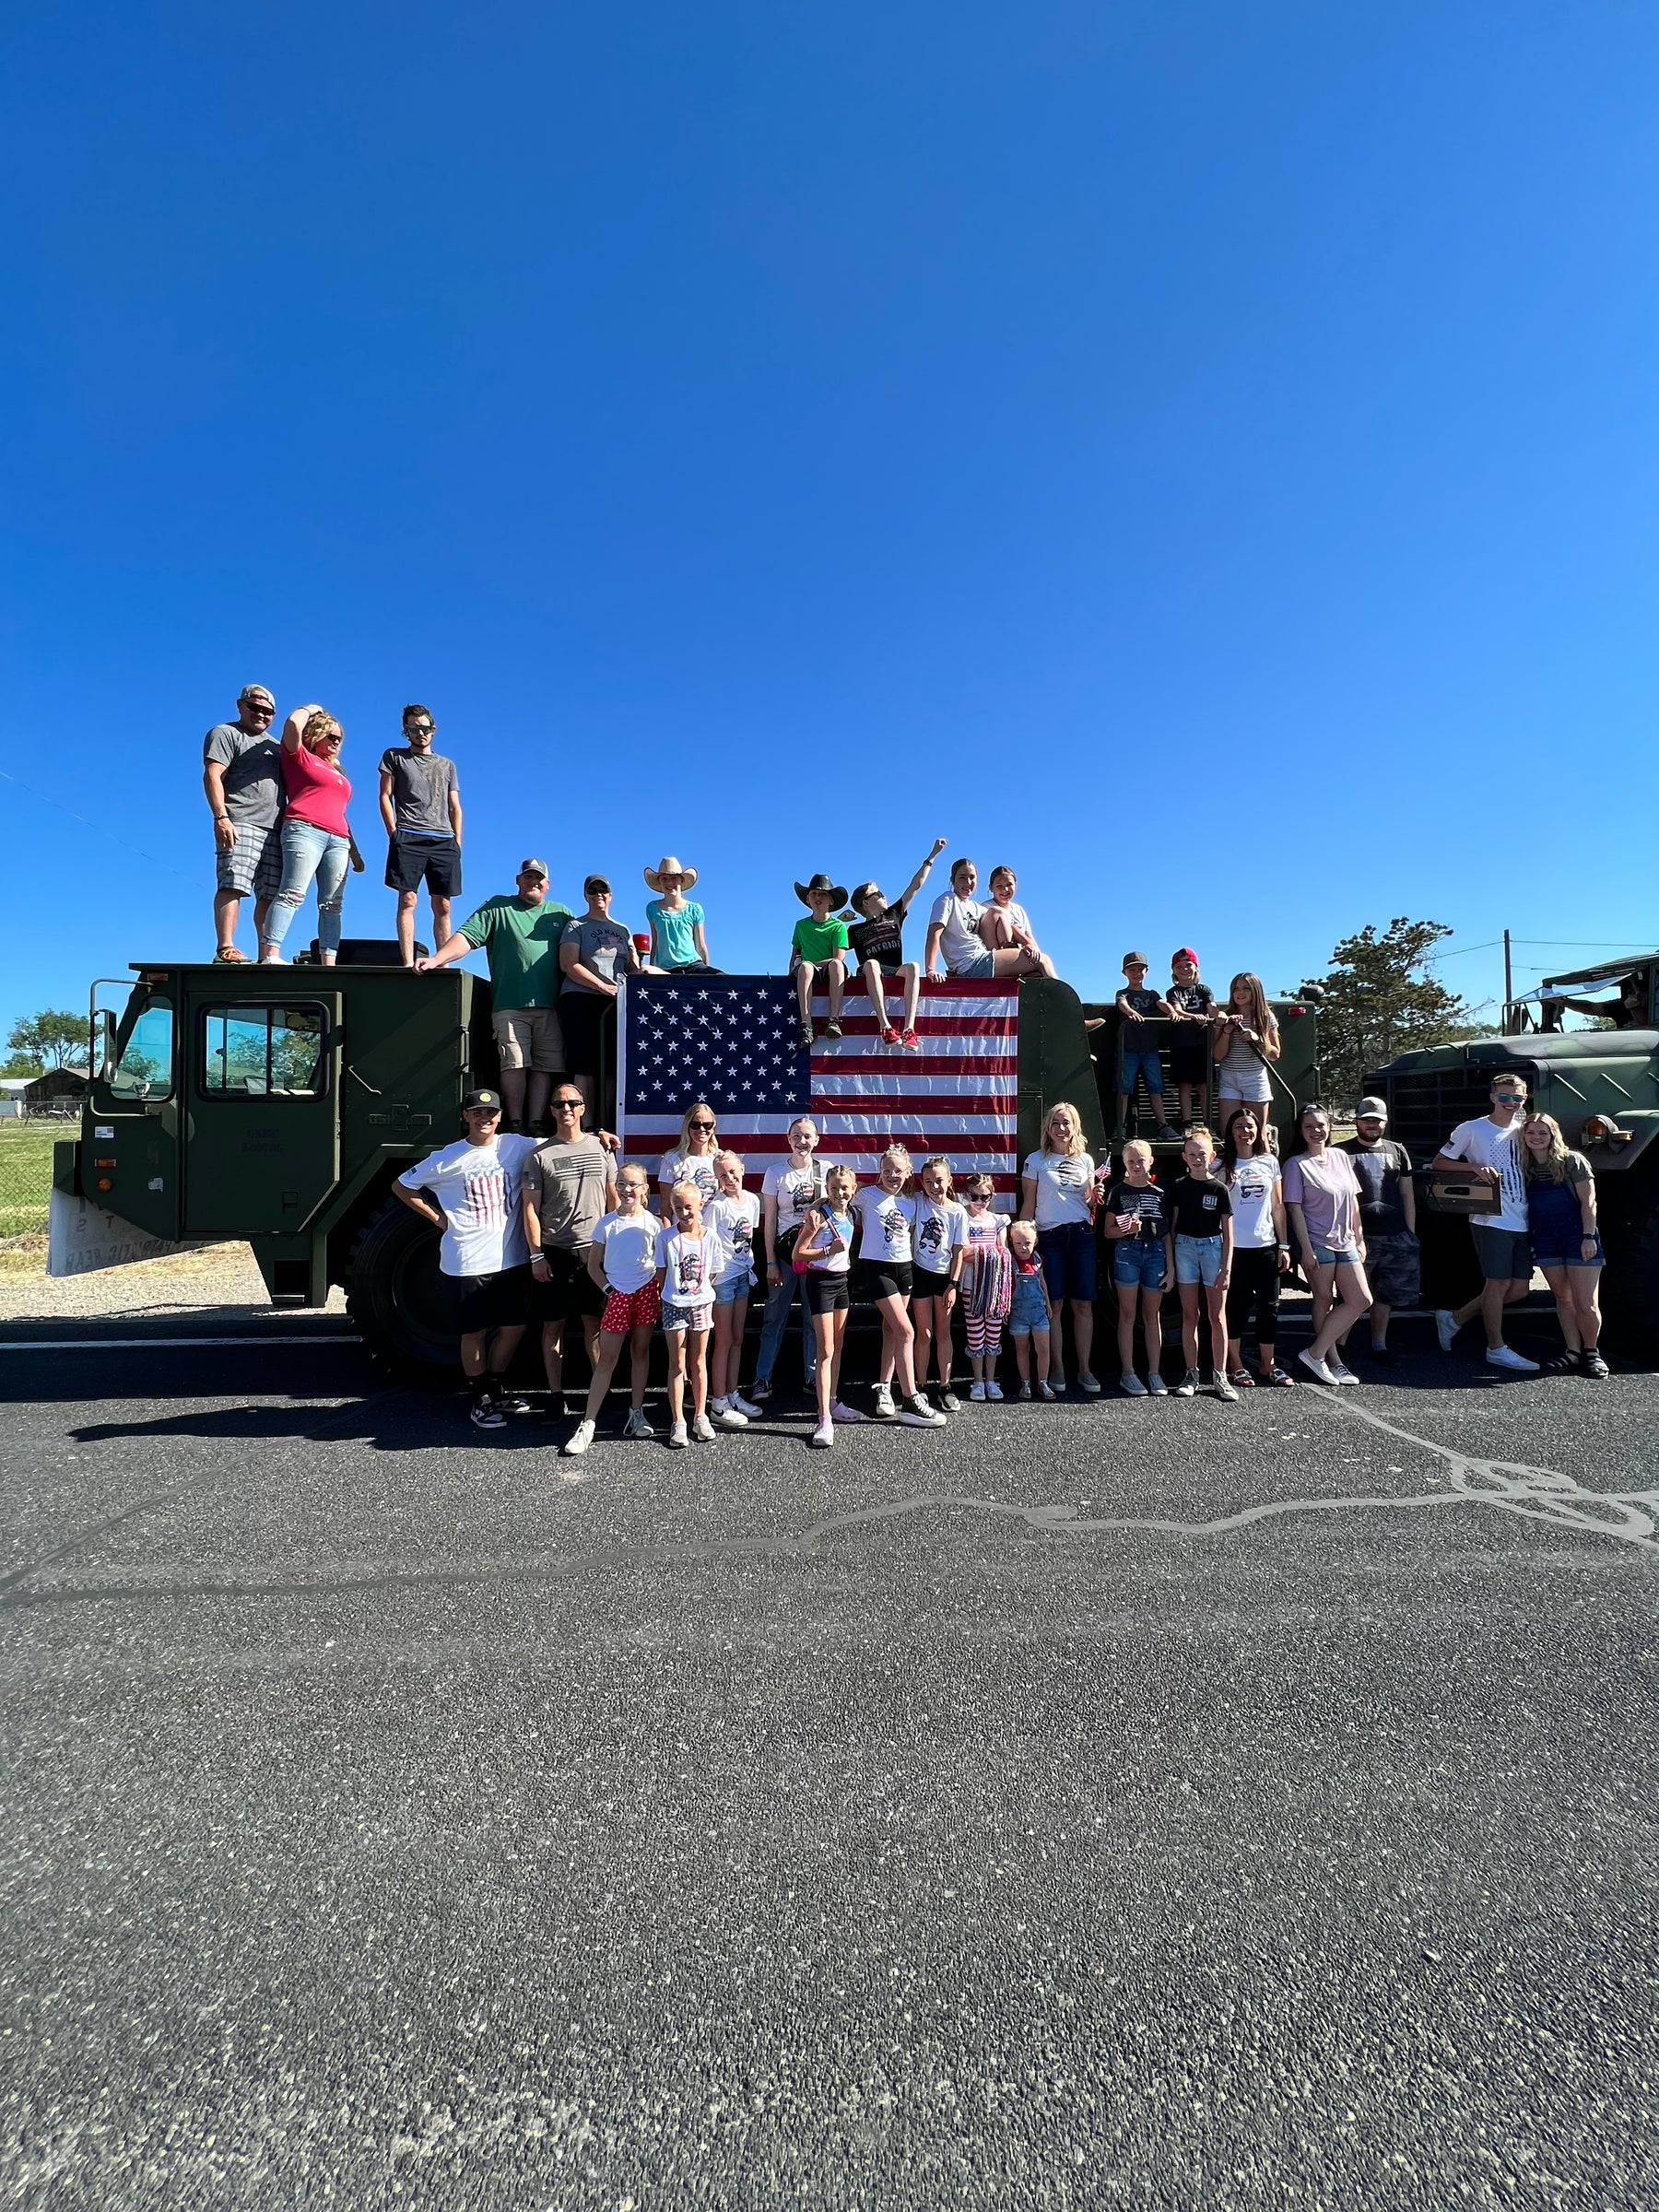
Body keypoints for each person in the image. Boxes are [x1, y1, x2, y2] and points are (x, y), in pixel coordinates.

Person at [392, 1088, 535, 1430]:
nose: (484, 1119)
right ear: (466, 1117)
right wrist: (438, 1219)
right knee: (473, 1332)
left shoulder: (516, 1145)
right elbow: (402, 1186)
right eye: (477, 1113)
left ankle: (495, 1387)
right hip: (466, 1259)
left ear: (499, 1117)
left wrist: (598, 1135)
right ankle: (480, 1398)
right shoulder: (447, 1158)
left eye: (491, 1113)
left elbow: (559, 1142)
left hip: (509, 1259)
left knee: (514, 1328)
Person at [414, 860, 574, 1133]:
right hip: (509, 1004)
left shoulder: (561, 913)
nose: (533, 881)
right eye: (528, 877)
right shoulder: (498, 907)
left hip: (550, 1005)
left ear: (547, 884)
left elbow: (579, 950)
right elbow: (466, 937)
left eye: (539, 878)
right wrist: (437, 960)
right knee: (514, 1063)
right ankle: (514, 1122)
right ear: (518, 880)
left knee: (544, 1067)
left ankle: (535, 1122)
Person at [1430, 1074, 1541, 1375]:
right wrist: (1474, 1167)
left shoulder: (1525, 1130)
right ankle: (1496, 1347)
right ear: (1493, 1097)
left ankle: (1453, 1319)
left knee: (1519, 1290)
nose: (1511, 1103)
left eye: (1517, 1098)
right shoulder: (1472, 1129)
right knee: (1498, 1284)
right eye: (1504, 1097)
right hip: (1490, 1217)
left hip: (1523, 1215)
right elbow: (1439, 1162)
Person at [523, 1082, 616, 1418]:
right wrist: (536, 1255)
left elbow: (613, 1199)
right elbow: (530, 1209)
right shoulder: (539, 1155)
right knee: (553, 1326)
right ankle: (555, 1395)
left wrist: (614, 1246)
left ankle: (598, 1392)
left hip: (593, 1251)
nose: (566, 1109)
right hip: (556, 1252)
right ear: (551, 1110)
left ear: (583, 1108)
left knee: (595, 1323)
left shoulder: (601, 1148)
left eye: (572, 1103)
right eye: (559, 1104)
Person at [564, 1163, 662, 1455]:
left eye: (633, 1184)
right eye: (621, 1184)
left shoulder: (654, 1224)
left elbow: (659, 1264)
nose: (626, 1189)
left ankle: (636, 1412)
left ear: (645, 1188)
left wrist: (655, 1286)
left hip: (645, 1293)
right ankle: (588, 1422)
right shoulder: (607, 1223)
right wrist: (610, 1290)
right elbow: (594, 1266)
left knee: (641, 1351)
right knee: (608, 1358)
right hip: (618, 1294)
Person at [1284, 1103, 1371, 1387]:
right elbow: (1294, 1210)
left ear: (1329, 1127)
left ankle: (1315, 1353)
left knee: (1360, 1299)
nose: (1316, 1131)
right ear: (1301, 1131)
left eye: (1320, 1125)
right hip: (1317, 1242)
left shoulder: (1340, 1156)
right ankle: (1333, 1361)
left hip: (1346, 1241)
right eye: (1309, 1127)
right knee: (1324, 1299)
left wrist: (1359, 1238)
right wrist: (1305, 1249)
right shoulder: (1296, 1165)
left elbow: (1353, 1201)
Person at [258, 706, 354, 966]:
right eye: (330, 735)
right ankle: (271, 954)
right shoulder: (298, 756)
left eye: (339, 738)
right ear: (316, 734)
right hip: (304, 829)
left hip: (339, 839)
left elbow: (339, 809)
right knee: (292, 893)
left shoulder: (337, 771)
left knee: (332, 904)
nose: (336, 741)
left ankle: (329, 963)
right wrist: (311, 708)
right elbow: (292, 724)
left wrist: (353, 850)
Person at [1019, 1101, 1100, 1393]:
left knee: (1083, 1304)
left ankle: (1085, 1369)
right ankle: (1057, 1369)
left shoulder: (1087, 1161)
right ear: (1048, 1128)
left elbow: (1089, 1202)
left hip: (1080, 1235)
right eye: (1056, 1123)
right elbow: (1029, 1203)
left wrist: (1095, 1196)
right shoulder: (1036, 1161)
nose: (1062, 1128)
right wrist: (1022, 1236)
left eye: (1067, 1123)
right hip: (1049, 1237)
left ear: (1075, 1127)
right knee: (1053, 1305)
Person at [750, 1116, 833, 1403]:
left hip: (815, 1254)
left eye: (808, 1136)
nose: (802, 1141)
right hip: (785, 1256)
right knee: (774, 1317)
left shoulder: (827, 1171)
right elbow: (770, 1220)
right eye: (796, 1135)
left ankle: (812, 1375)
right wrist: (771, 1262)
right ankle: (762, 1377)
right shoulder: (775, 1173)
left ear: (817, 1140)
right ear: (788, 1139)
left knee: (814, 1318)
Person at [1521, 1112, 1609, 1378]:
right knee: (1563, 1297)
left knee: (1587, 1303)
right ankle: (1572, 1351)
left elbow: (1589, 1202)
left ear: (1553, 1135)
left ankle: (1592, 1352)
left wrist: (1588, 1237)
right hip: (1546, 1238)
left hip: (1578, 1236)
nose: (1536, 1137)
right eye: (1531, 1133)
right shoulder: (1525, 1165)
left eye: (1542, 1133)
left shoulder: (1573, 1161)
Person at [844, 837, 948, 1048]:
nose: (884, 896)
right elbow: (833, 946)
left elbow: (915, 886)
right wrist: (838, 921)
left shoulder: (894, 914)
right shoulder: (854, 930)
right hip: (870, 971)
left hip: (894, 969)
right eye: (878, 894)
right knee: (871, 963)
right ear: (866, 902)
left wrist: (932, 856)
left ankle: (909, 1029)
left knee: (913, 966)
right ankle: (886, 1026)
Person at [379, 704, 462, 967]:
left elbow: (454, 805)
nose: (420, 733)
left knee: (443, 905)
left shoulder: (447, 765)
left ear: (433, 730)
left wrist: (457, 840)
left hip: (443, 839)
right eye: (414, 728)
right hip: (408, 835)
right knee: (408, 899)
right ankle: (406, 961)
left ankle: (442, 961)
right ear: (407, 730)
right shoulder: (394, 757)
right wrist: (394, 832)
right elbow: (384, 796)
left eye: (425, 728)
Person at [204, 684, 282, 961]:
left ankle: (267, 955)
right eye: (255, 707)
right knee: (233, 883)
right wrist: (221, 817)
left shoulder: (277, 747)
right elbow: (212, 774)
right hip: (240, 821)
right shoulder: (225, 733)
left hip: (276, 828)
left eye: (268, 711)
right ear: (241, 705)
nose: (261, 714)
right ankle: (226, 947)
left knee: (270, 895)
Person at [1218, 1107, 1294, 1388]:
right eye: (1239, 1126)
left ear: (1258, 1131)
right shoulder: (1220, 1166)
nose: (1245, 1131)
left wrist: (1283, 1245)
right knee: (1236, 1307)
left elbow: (1277, 1206)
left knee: (1269, 1307)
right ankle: (1235, 1365)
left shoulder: (1269, 1162)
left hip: (1266, 1246)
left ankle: (1267, 1365)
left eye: (1250, 1126)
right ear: (1231, 1131)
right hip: (1236, 1248)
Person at [1339, 1098, 1419, 1365]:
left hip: (1395, 1235)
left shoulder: (1398, 1151)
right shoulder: (1340, 1152)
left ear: (1385, 1122)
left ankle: (1379, 1345)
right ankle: (1337, 1347)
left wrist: (1410, 1232)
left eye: (1377, 1120)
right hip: (1357, 1237)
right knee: (1350, 1297)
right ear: (1357, 1122)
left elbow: (1407, 1193)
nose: (1371, 1125)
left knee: (1385, 1296)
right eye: (1366, 1119)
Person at [794, 1165, 868, 1447]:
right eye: (834, 1188)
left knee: (837, 1346)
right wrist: (827, 1250)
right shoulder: (817, 1215)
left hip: (842, 1282)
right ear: (827, 1189)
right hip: (820, 1282)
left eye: (845, 1187)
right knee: (824, 1351)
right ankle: (823, 1417)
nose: (840, 1193)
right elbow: (798, 1253)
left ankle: (834, 1402)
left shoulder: (850, 1213)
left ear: (854, 1189)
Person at [558, 876, 641, 1120]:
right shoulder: (576, 926)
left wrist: (638, 969)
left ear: (611, 895)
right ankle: (584, 1122)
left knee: (612, 1065)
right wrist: (601, 985)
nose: (598, 895)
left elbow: (632, 967)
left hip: (617, 1002)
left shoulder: (623, 930)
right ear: (586, 896)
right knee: (584, 1064)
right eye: (592, 891)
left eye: (603, 890)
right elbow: (568, 964)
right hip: (581, 998)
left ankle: (607, 1120)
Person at [1166, 1127, 1238, 1401]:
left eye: (1203, 1154)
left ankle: (1220, 1375)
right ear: (1184, 1156)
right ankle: (1191, 1373)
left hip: (1212, 1249)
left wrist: (1226, 1267)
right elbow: (1171, 1230)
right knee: (1189, 1315)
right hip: (1184, 1248)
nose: (1197, 1159)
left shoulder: (1219, 1189)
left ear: (1213, 1156)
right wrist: (1171, 1265)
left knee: (1217, 1316)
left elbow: (1228, 1232)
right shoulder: (1179, 1187)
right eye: (1192, 1154)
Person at [850, 1146, 921, 1418]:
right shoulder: (866, 1196)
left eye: (898, 1170)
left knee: (891, 1330)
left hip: (904, 1269)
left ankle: (884, 1387)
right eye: (887, 1170)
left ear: (908, 1172)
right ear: (879, 1171)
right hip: (877, 1269)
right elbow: (841, 1205)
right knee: (906, 1331)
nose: (892, 1175)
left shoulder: (912, 1201)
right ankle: (911, 1397)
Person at [1102, 1137, 1174, 1397]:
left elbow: (1167, 1233)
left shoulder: (1161, 1193)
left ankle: (1155, 1374)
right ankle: (1128, 1373)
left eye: (1140, 1160)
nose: (1136, 1165)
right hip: (1126, 1253)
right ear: (1124, 1163)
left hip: (1155, 1253)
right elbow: (1108, 1231)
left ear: (1151, 1162)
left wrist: (1172, 1268)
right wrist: (1126, 1228)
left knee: (1151, 1315)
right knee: (1127, 1314)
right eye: (1131, 1161)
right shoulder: (1118, 1192)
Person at [656, 1181, 724, 1447]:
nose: (684, 1212)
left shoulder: (711, 1237)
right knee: (678, 1363)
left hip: (701, 1303)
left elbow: (713, 1272)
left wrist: (696, 1290)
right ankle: (678, 1421)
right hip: (674, 1302)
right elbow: (661, 1274)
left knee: (698, 1361)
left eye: (689, 1207)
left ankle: (700, 1415)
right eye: (678, 1208)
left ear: (700, 1206)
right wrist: (676, 1291)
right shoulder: (665, 1238)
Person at [704, 1150, 761, 1425]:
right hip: (723, 1280)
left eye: (733, 1171)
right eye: (723, 1175)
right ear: (717, 1179)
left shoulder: (751, 1201)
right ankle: (717, 1403)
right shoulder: (716, 1207)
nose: (729, 1178)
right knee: (723, 1340)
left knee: (738, 1338)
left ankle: (732, 1392)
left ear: (743, 1169)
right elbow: (708, 1244)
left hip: (743, 1275)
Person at [924, 858, 1049, 980]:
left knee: (998, 912)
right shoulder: (948, 900)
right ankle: (1065, 999)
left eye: (972, 877)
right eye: (962, 877)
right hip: (969, 965)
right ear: (952, 880)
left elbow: (1005, 920)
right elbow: (934, 933)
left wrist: (1028, 943)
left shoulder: (975, 907)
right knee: (1042, 960)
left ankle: (1014, 964)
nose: (968, 882)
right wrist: (930, 969)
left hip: (982, 958)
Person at [912, 1156, 968, 1413]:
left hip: (944, 1278)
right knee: (923, 1333)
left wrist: (953, 1284)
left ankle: (945, 1387)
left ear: (949, 1181)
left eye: (938, 1181)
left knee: (943, 1332)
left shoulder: (957, 1212)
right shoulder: (918, 1202)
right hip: (920, 1273)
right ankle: (920, 1386)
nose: (934, 1186)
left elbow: (958, 1251)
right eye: (928, 1182)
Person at [1114, 953, 1180, 1142]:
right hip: (1128, 1050)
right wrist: (1131, 1012)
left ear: (1146, 971)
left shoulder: (1152, 994)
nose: (1137, 973)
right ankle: (1121, 1127)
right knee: (1124, 1089)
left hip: (1150, 1050)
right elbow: (1122, 1004)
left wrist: (1173, 1012)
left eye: (1140, 969)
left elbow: (1162, 1003)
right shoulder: (1123, 993)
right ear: (1125, 972)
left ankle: (1163, 1125)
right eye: (1132, 970)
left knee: (1155, 1088)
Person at [959, 1176, 1013, 1398]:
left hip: (994, 1287)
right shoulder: (962, 1218)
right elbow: (962, 1252)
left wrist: (979, 1253)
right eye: (974, 1196)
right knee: (975, 1333)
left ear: (992, 1197)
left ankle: (991, 1380)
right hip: (971, 1285)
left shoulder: (998, 1220)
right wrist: (987, 1253)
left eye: (985, 1196)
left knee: (993, 1333)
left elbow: (1003, 1252)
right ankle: (978, 1380)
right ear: (966, 1195)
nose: (979, 1201)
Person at [791, 875, 851, 1050]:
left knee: (836, 965)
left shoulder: (838, 926)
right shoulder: (800, 925)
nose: (818, 897)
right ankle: (807, 1025)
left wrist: (813, 963)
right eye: (814, 894)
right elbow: (795, 952)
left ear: (831, 900)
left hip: (828, 968)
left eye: (823, 894)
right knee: (805, 967)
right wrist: (792, 971)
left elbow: (838, 957)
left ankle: (833, 1020)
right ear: (808, 899)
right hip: (807, 971)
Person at [1215, 972, 1281, 1126]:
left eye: (1246, 988)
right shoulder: (1226, 1016)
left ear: (1255, 991)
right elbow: (1217, 1055)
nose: (1240, 993)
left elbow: (1275, 1054)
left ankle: (1267, 1142)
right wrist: (1226, 1030)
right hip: (1229, 1079)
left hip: (1254, 1078)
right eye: (1236, 989)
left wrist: (1257, 1039)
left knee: (1258, 1133)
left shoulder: (1265, 1016)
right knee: (1230, 1131)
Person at [1165, 948, 1218, 1126]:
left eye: (1189, 965)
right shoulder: (1173, 992)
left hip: (1202, 1044)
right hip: (1181, 1045)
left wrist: (1221, 1015)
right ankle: (1187, 1122)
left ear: (1196, 968)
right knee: (1184, 1086)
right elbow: (1177, 1010)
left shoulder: (1204, 990)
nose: (1185, 969)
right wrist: (1194, 1017)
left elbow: (1211, 1008)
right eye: (1180, 966)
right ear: (1174, 970)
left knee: (1204, 1086)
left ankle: (1207, 1123)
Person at [1006, 1218, 1056, 1399]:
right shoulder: (1009, 1261)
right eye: (1018, 1243)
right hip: (1018, 1312)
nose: (1023, 1247)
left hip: (1038, 1311)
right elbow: (1007, 1285)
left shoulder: (1037, 1260)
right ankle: (1025, 1383)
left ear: (1035, 1242)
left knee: (1043, 1349)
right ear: (1012, 1242)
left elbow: (1042, 1282)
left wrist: (1048, 1303)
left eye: (1027, 1243)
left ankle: (1043, 1382)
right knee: (1022, 1349)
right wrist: (1006, 1307)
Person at [976, 866, 1057, 976]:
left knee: (1044, 960)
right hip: (996, 957)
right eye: (999, 886)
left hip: (1019, 954)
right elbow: (1011, 928)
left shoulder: (1019, 910)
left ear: (1015, 885)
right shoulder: (987, 908)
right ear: (991, 888)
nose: (1005, 890)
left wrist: (1035, 950)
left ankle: (1056, 990)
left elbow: (1029, 935)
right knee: (1044, 961)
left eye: (1009, 885)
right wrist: (1027, 943)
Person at [642, 858, 714, 973]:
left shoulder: (694, 909)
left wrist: (705, 977)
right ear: (660, 882)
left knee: (723, 979)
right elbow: (655, 943)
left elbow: (700, 945)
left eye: (674, 878)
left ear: (681, 880)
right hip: (665, 969)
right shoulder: (652, 909)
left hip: (693, 966)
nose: (669, 883)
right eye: (664, 879)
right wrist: (653, 969)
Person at [657, 1100, 723, 1220]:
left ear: (714, 1127)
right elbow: (666, 1205)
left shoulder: (721, 1159)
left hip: (714, 1232)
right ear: (687, 1126)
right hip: (681, 1231)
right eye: (696, 1125)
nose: (702, 1129)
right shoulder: (671, 1159)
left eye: (707, 1125)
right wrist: (666, 1236)